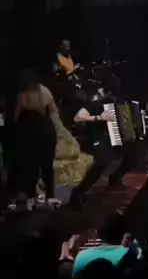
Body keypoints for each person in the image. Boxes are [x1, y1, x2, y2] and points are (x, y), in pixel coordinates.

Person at [69, 85, 137, 207]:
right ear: (108, 93)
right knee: (103, 162)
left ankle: (115, 178)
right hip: (96, 136)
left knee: (134, 154)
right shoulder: (97, 102)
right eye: (113, 95)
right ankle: (78, 193)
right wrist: (100, 117)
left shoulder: (118, 102)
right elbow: (78, 118)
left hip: (113, 137)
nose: (115, 98)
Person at [12, 69, 58, 209]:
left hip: (30, 131)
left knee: (31, 166)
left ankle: (31, 198)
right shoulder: (45, 91)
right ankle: (50, 197)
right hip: (46, 129)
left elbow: (16, 115)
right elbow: (53, 110)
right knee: (47, 166)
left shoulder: (22, 94)